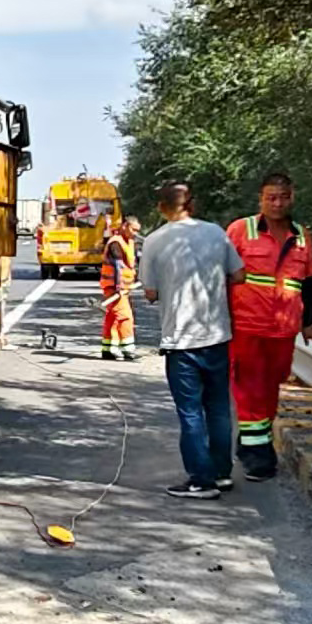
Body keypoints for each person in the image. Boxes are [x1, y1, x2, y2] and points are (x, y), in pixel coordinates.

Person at [140, 182, 244, 499]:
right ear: (192, 205)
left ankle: (201, 480)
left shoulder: (155, 241)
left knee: (190, 412)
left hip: (181, 342)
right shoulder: (216, 233)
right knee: (219, 408)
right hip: (217, 336)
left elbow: (150, 292)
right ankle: (222, 473)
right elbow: (239, 275)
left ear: (161, 208)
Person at [226, 171, 312, 481]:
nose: (277, 204)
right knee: (249, 388)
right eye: (271, 198)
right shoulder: (240, 230)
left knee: (270, 387)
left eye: (283, 197)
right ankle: (259, 458)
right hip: (246, 326)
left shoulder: (302, 236)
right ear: (261, 199)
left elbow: (308, 282)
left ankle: (251, 442)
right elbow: (221, 275)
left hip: (284, 329)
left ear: (292, 198)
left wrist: (309, 323)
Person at [98, 216, 137, 359]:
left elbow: (130, 264)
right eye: (133, 229)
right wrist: (119, 287)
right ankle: (128, 348)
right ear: (125, 226)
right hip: (114, 287)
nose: (135, 233)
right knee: (124, 317)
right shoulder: (116, 243)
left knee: (112, 316)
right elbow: (118, 266)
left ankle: (108, 348)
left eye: (137, 231)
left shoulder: (129, 242)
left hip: (123, 287)